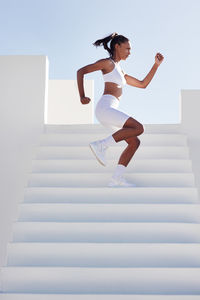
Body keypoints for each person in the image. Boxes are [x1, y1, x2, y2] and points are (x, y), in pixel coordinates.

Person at [77, 32, 164, 187]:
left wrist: (156, 65)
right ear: (117, 46)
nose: (130, 52)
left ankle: (116, 178)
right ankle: (101, 145)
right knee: (138, 127)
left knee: (134, 142)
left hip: (111, 111)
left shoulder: (120, 71)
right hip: (105, 108)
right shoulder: (107, 63)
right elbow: (81, 71)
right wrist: (82, 96)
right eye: (127, 49)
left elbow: (143, 84)